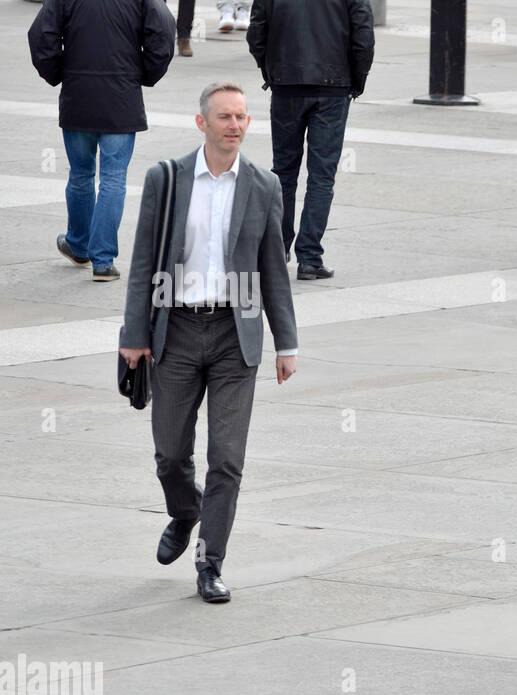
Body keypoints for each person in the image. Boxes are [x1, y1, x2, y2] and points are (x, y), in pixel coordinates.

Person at [118, 81, 299, 604]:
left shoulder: (264, 186)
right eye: (224, 117)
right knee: (170, 455)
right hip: (173, 331)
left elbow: (273, 273)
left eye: (242, 116)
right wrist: (134, 335)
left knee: (227, 458)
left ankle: (209, 561)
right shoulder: (168, 180)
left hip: (232, 336)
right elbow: (142, 264)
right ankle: (184, 510)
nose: (235, 125)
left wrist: (286, 343)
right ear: (203, 123)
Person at [28, 0, 175, 283]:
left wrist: (57, 73)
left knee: (81, 174)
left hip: (78, 95)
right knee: (113, 179)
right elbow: (163, 32)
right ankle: (103, 261)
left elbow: (40, 34)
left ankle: (79, 245)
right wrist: (144, 73)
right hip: (121, 97)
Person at [247, 0, 375, 280]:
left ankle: (277, 250)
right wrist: (357, 79)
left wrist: (270, 70)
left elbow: (256, 33)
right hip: (332, 86)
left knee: (283, 171)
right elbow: (363, 37)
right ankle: (310, 257)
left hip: (287, 84)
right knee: (322, 175)